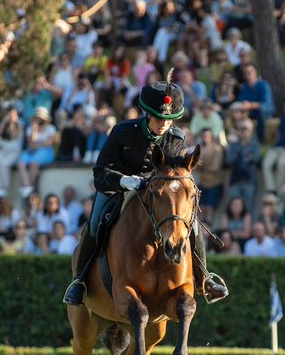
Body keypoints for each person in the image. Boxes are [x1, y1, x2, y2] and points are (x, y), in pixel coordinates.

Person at [62, 72, 228, 306]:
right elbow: (100, 172)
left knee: (192, 224)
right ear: (148, 114)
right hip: (119, 188)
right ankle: (79, 281)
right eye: (159, 118)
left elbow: (176, 173)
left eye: (168, 120)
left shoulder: (177, 137)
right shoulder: (122, 132)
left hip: (157, 194)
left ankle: (204, 278)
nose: (164, 124)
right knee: (97, 221)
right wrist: (124, 181)